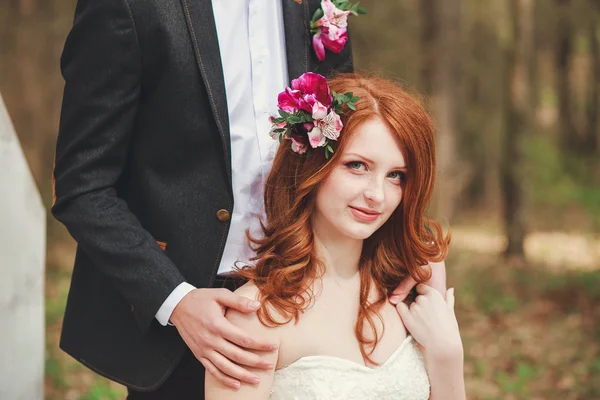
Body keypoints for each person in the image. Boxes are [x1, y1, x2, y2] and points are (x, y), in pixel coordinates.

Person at [52, 0, 446, 398]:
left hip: (319, 283)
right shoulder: (131, 7)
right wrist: (175, 300)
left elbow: (356, 138)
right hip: (192, 307)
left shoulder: (315, 4)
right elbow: (83, 186)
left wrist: (414, 239)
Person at [205, 73, 465, 400]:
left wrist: (448, 358)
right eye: (357, 165)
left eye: (395, 175)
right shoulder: (256, 313)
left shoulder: (412, 295)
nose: (377, 195)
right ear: (311, 165)